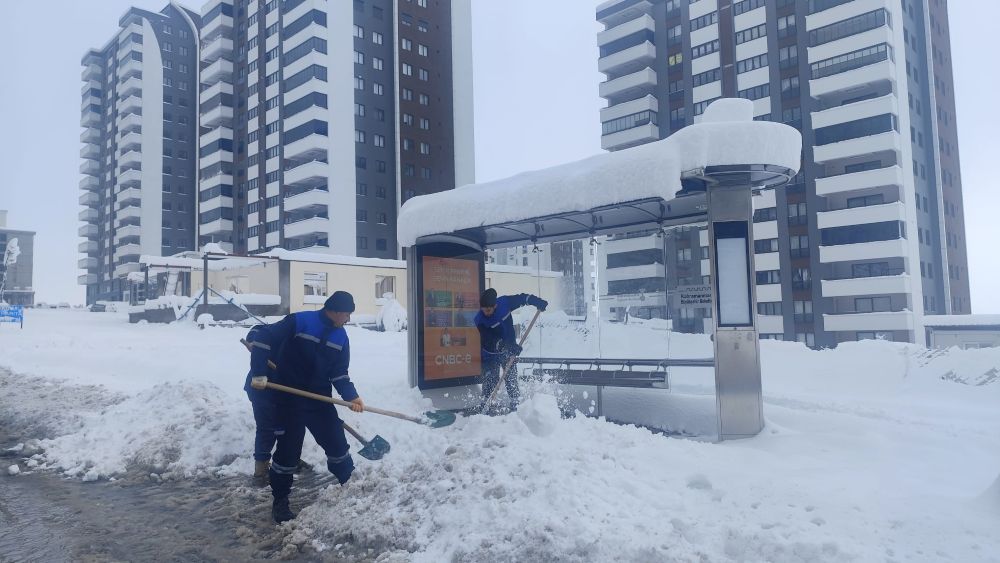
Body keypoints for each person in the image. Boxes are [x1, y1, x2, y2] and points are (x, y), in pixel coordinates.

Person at [247, 291, 365, 523]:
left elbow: (339, 373)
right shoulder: (300, 321)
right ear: (336, 311)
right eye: (347, 314)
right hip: (287, 397)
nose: (348, 319)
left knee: (336, 443)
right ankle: (280, 502)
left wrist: (352, 396)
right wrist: (259, 373)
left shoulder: (341, 338)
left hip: (319, 399)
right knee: (288, 451)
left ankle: (349, 486)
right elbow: (262, 338)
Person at [474, 288, 547, 413]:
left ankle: (515, 405)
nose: (485, 313)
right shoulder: (480, 320)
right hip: (490, 354)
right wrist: (507, 346)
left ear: (495, 305)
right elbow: (489, 340)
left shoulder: (504, 303)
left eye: (488, 310)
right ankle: (485, 406)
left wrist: (536, 301)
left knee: (511, 378)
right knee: (490, 380)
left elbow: (522, 298)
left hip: (508, 351)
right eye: (483, 309)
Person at [243, 324, 279, 487]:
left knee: (287, 426)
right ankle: (261, 469)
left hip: (282, 388)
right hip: (260, 389)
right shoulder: (271, 333)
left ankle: (288, 459)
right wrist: (254, 343)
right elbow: (256, 331)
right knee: (267, 427)